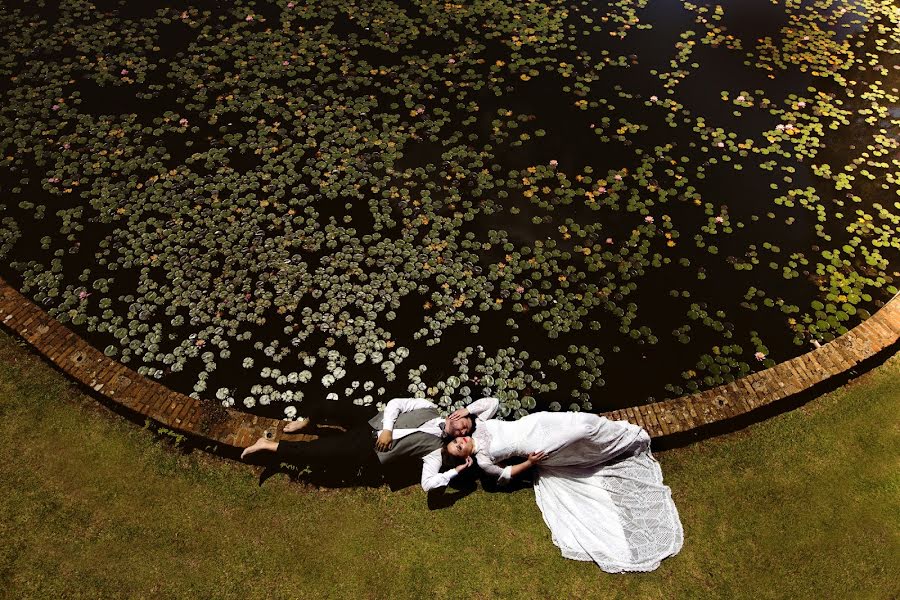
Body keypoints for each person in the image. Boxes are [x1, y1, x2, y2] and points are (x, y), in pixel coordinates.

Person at [440, 411, 683, 573]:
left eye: (456, 441)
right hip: (536, 446)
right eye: (458, 449)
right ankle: (608, 445)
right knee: (585, 430)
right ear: (466, 458)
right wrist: (531, 463)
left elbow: (491, 403)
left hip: (537, 422)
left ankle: (608, 437)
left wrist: (465, 412)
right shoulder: (483, 461)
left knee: (584, 421)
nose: (460, 443)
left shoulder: (479, 424)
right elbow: (506, 475)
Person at [239, 396, 499, 485]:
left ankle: (268, 445)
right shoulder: (429, 407)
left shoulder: (437, 450)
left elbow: (430, 482)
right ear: (457, 414)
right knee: (327, 405)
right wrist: (469, 410)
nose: (462, 428)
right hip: (373, 420)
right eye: (464, 422)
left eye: (463, 431)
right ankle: (308, 422)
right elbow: (396, 404)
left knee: (320, 451)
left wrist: (454, 470)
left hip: (371, 448)